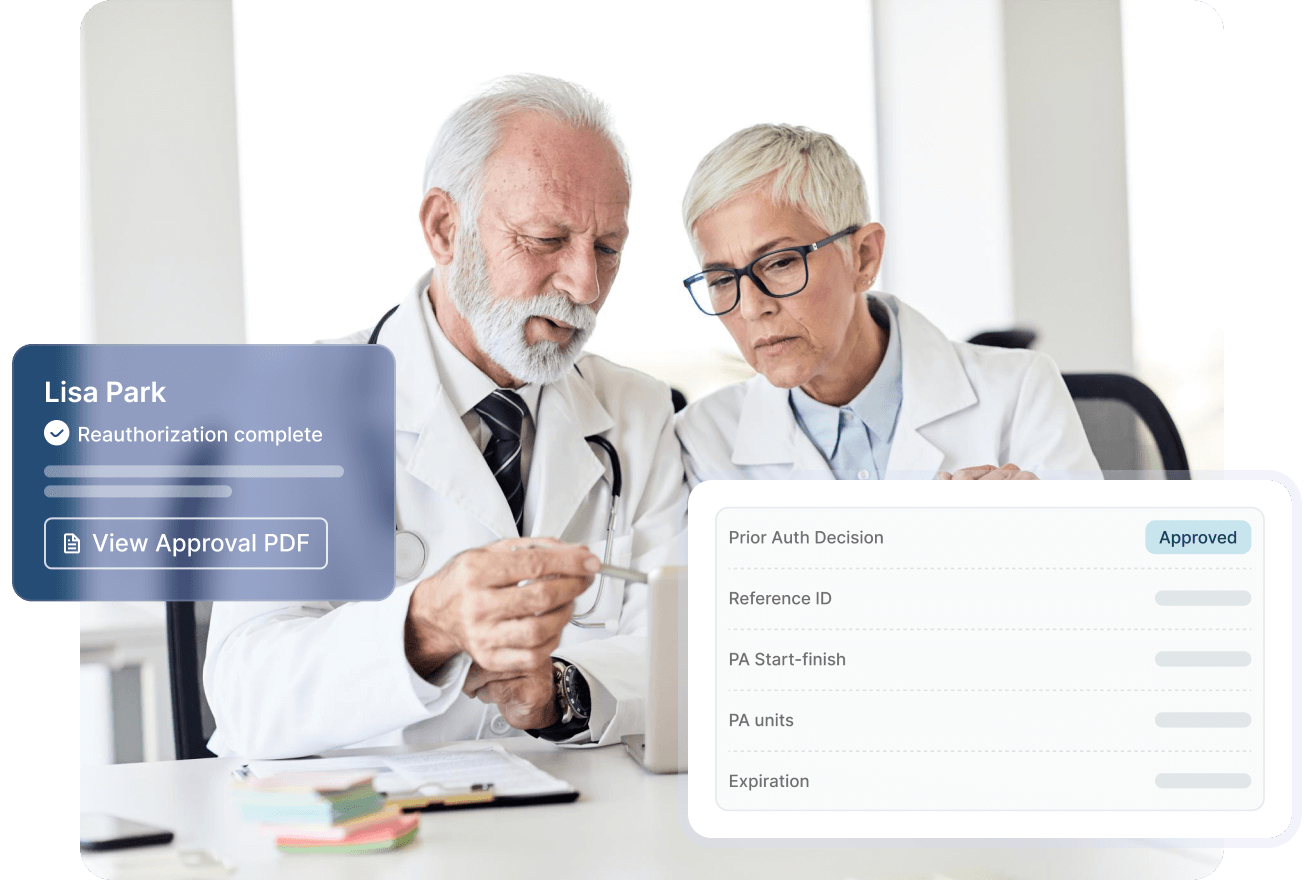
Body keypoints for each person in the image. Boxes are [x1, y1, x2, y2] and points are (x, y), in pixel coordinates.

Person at [204, 75, 685, 759]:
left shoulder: (640, 412)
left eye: (607, 248)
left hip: (578, 809)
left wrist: (562, 691)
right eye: (546, 238)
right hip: (364, 814)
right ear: (444, 228)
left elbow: (679, 652)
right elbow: (246, 690)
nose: (585, 284)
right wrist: (424, 627)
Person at [673, 124, 1101, 484]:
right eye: (722, 280)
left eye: (781, 262)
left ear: (864, 257)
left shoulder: (1021, 391)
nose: (751, 308)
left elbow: (1093, 558)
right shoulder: (706, 438)